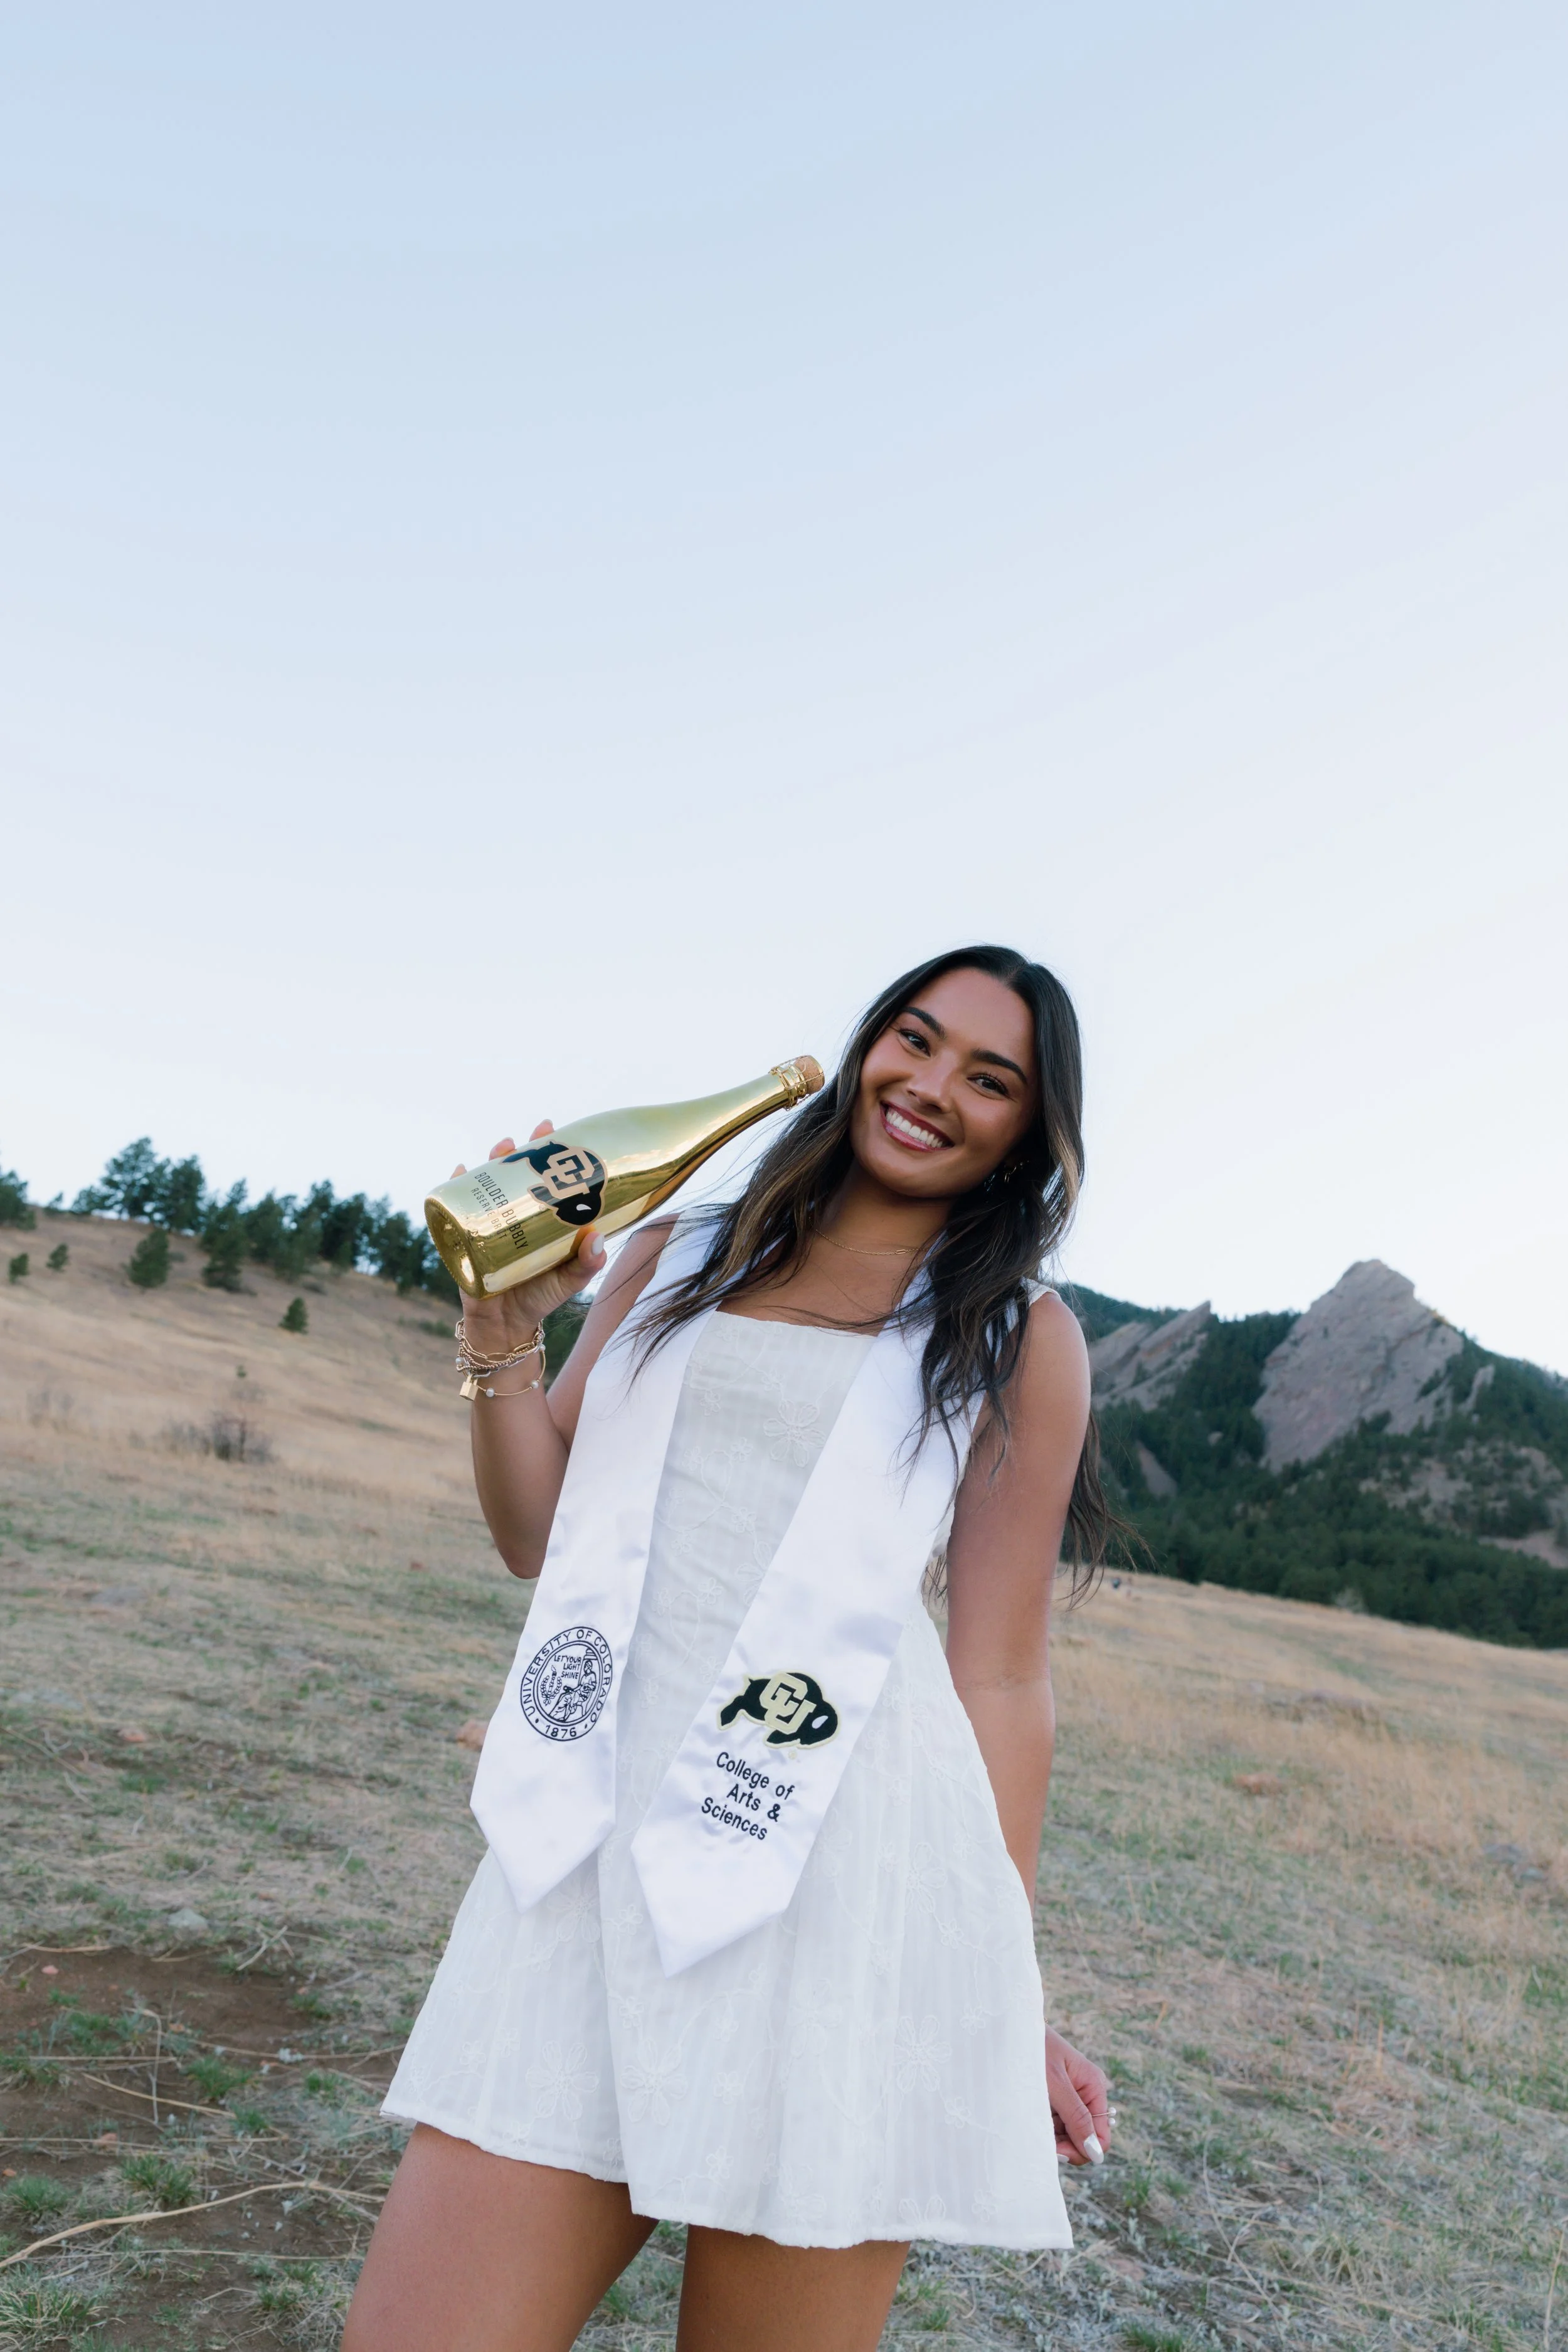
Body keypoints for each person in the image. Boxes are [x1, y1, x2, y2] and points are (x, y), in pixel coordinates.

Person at [343, 945, 1115, 2352]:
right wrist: (499, 1326)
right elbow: (536, 1531)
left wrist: (1004, 1988)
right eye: (916, 1039)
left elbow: (998, 1677)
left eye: (988, 1078)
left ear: (1026, 1130)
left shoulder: (1015, 1336)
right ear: (868, 1042)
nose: (931, 1087)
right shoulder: (683, 1247)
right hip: (588, 1852)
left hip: (840, 1881)